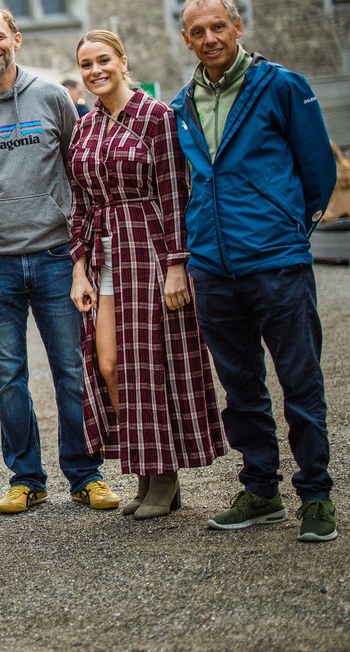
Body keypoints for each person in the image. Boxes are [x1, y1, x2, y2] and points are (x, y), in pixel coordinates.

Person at [171, 0, 338, 542]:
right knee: (241, 387)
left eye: (218, 26)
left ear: (237, 26)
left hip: (275, 262)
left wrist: (288, 230)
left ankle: (315, 494)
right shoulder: (182, 105)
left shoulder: (281, 86)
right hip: (214, 268)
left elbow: (318, 171)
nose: (209, 39)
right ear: (186, 39)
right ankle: (261, 488)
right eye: (198, 32)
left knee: (300, 380)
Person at [0, 4, 118, 515]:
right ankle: (26, 477)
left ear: (16, 39)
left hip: (54, 256)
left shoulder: (51, 97)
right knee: (8, 377)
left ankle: (85, 473)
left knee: (72, 369)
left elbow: (81, 174)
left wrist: (83, 254)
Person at [67, 30, 227, 520]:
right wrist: (79, 267)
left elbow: (177, 192)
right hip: (104, 253)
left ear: (123, 61)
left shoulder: (156, 117)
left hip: (150, 248)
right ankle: (144, 468)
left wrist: (178, 264)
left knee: (150, 366)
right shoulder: (86, 125)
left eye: (103, 61)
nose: (96, 71)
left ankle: (164, 477)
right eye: (87, 64)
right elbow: (80, 200)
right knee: (109, 366)